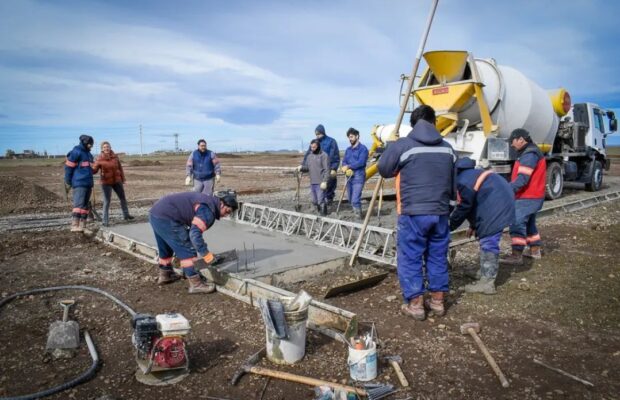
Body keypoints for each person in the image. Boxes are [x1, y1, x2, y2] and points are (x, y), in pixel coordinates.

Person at [377, 105, 456, 320]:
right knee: (437, 255)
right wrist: (448, 208)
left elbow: (384, 169)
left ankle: (416, 305)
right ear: (434, 123)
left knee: (410, 256)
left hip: (412, 212)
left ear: (412, 125)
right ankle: (437, 302)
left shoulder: (403, 145)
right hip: (440, 212)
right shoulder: (448, 148)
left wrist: (391, 146)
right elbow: (453, 182)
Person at [149, 191, 238, 294]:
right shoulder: (208, 211)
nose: (226, 215)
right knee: (187, 250)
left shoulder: (208, 201)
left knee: (165, 247)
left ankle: (166, 274)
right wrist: (206, 255)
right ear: (221, 204)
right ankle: (196, 284)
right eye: (227, 211)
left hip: (155, 214)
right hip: (168, 217)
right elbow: (194, 235)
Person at [449, 157, 515, 294]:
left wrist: (449, 226)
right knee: (486, 237)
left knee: (488, 240)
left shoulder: (462, 181)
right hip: (502, 202)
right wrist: (473, 225)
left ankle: (487, 282)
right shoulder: (473, 174)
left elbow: (464, 207)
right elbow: (475, 201)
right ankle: (484, 272)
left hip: (495, 207)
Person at [502, 128, 546, 264]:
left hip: (528, 196)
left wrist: (505, 190)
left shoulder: (529, 155)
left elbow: (522, 180)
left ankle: (516, 256)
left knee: (516, 222)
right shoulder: (529, 152)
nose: (511, 144)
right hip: (533, 195)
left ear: (521, 139)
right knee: (530, 224)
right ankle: (535, 251)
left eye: (513, 141)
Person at [93, 141, 134, 227]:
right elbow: (94, 170)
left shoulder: (115, 157)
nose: (106, 148)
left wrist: (123, 179)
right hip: (106, 182)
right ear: (102, 149)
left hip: (117, 181)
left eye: (107, 146)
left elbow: (120, 168)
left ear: (110, 147)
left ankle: (126, 215)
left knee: (122, 198)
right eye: (104, 147)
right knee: (107, 201)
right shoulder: (99, 158)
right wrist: (89, 166)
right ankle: (105, 221)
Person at [302, 124, 340, 205]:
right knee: (318, 188)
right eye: (316, 134)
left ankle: (328, 200)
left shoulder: (331, 141)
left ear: (323, 132)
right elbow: (308, 155)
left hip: (328, 168)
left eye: (319, 134)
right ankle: (320, 204)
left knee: (329, 185)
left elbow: (335, 156)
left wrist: (334, 168)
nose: (317, 136)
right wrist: (303, 166)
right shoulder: (315, 143)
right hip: (317, 170)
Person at [64, 135, 95, 232]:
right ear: (85, 143)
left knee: (85, 206)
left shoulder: (89, 154)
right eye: (90, 144)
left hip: (88, 183)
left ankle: (83, 226)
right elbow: (68, 168)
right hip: (79, 182)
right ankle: (75, 225)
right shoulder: (76, 152)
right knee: (78, 205)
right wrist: (68, 181)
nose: (91, 146)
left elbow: (91, 169)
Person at [340, 127, 369, 219]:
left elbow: (361, 162)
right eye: (349, 137)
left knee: (355, 199)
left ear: (357, 136)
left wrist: (349, 166)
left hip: (358, 176)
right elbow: (344, 161)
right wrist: (344, 167)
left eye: (351, 137)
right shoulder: (348, 150)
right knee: (350, 199)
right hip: (349, 177)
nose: (350, 139)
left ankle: (358, 218)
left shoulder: (363, 149)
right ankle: (357, 213)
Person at [299, 139, 330, 215]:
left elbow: (327, 169)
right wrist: (301, 168)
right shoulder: (309, 156)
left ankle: (323, 215)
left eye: (314, 147)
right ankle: (319, 210)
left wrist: (325, 181)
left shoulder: (324, 155)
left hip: (321, 182)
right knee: (314, 201)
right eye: (311, 147)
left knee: (320, 200)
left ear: (318, 146)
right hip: (313, 182)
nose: (312, 149)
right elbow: (307, 168)